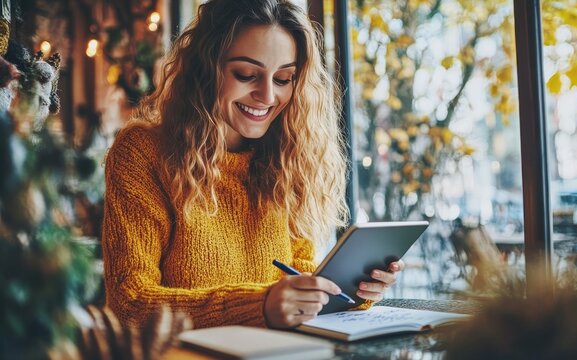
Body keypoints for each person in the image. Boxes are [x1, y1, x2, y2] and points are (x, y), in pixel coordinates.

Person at [102, 0, 404, 330]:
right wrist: (259, 306)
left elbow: (298, 275)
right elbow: (129, 303)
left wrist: (350, 289)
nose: (267, 95)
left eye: (284, 78)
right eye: (247, 74)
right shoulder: (143, 153)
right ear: (206, 68)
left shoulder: (285, 157)